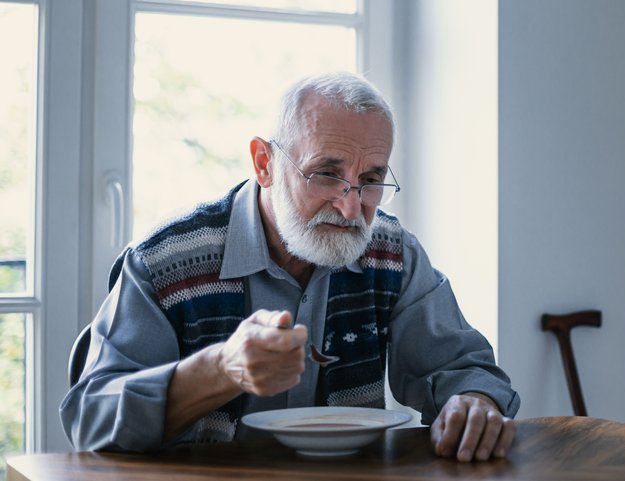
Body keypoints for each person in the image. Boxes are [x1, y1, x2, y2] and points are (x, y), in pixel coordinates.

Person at [60, 72, 519, 462]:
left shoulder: (392, 253)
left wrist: (473, 402)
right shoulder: (165, 262)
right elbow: (91, 420)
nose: (349, 207)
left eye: (372, 180)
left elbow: (464, 367)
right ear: (265, 163)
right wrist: (221, 369)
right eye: (326, 173)